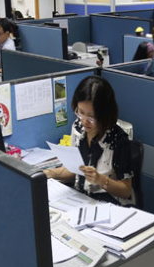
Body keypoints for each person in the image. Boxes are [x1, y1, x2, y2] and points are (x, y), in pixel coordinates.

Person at [44, 76, 133, 205]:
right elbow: (73, 170)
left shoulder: (118, 140)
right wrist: (47, 173)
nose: (84, 121)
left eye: (91, 117)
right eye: (80, 112)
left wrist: (100, 179)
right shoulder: (78, 128)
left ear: (104, 114)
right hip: (79, 200)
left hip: (107, 206)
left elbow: (126, 191)